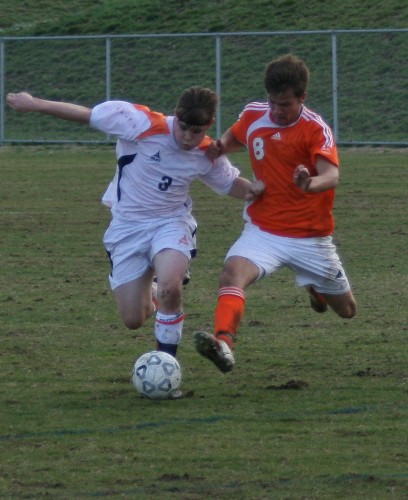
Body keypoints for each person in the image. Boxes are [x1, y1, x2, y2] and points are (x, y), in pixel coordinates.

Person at [7, 87, 264, 363]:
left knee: (171, 288)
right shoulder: (141, 123)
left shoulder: (206, 152)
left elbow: (231, 184)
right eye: (183, 128)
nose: (188, 138)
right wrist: (34, 104)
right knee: (133, 319)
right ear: (176, 115)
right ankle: (152, 290)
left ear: (210, 124)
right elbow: (86, 115)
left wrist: (256, 189)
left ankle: (166, 364)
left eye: (197, 132)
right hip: (127, 227)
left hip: (171, 223)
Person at [194, 54, 357, 373]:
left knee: (347, 311)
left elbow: (332, 175)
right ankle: (223, 343)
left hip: (310, 237)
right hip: (263, 229)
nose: (277, 111)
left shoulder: (315, 129)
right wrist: (219, 147)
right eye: (273, 102)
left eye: (285, 104)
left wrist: (309, 183)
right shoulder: (255, 114)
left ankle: (317, 288)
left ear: (302, 97)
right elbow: (235, 137)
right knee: (232, 273)